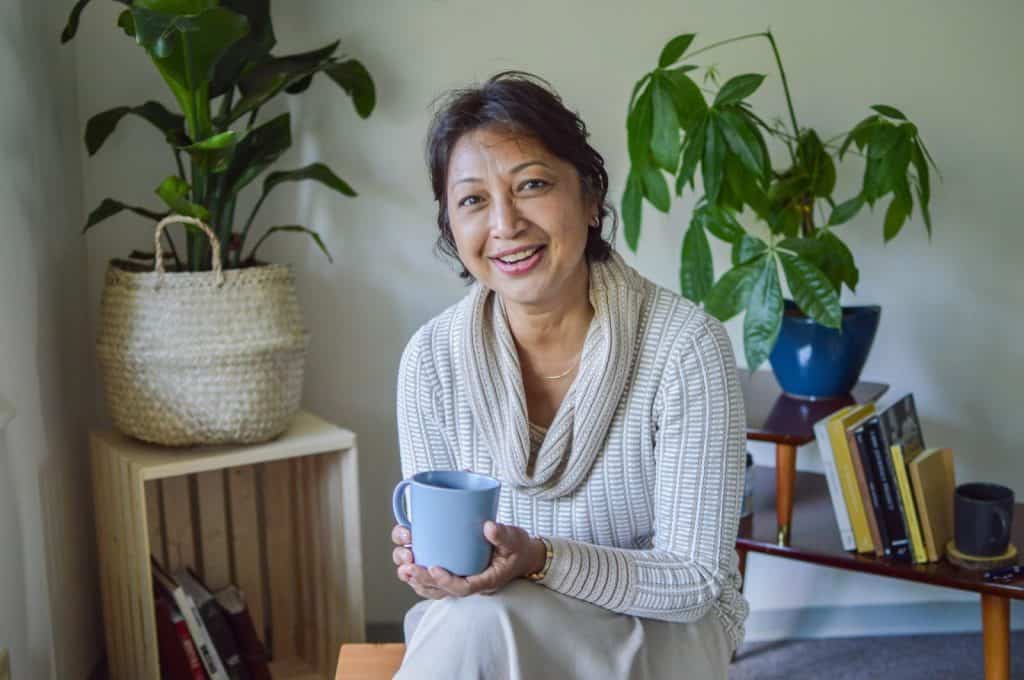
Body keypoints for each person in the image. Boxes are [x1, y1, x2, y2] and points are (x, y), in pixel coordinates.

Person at [391, 71, 749, 679]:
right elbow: (452, 591)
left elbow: (697, 582)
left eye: (531, 185)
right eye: (473, 200)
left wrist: (541, 560)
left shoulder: (686, 347)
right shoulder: (431, 359)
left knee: (476, 629)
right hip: (493, 622)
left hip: (665, 630)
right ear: (452, 228)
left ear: (590, 199)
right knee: (471, 622)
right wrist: (437, 573)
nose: (505, 223)